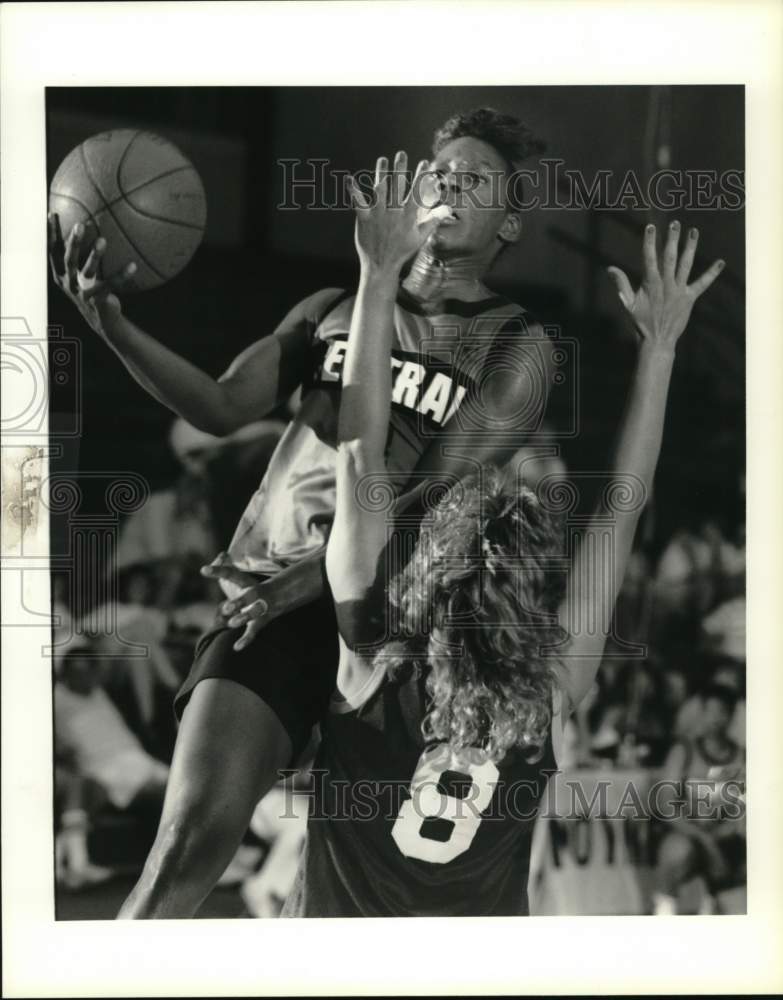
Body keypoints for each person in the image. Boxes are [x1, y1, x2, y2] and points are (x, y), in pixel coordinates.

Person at [49, 108, 558, 918]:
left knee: (353, 889)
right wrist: (109, 324)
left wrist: (308, 580)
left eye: (475, 179)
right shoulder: (330, 306)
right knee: (185, 847)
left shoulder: (517, 342)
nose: (449, 184)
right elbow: (219, 405)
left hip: (390, 624)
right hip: (270, 607)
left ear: (509, 223)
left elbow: (427, 491)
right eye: (440, 171)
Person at [279, 148, 724, 914]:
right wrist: (660, 348)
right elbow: (621, 509)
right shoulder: (548, 693)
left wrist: (377, 274)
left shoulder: (373, 653)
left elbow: (358, 447)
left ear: (430, 561)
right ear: (526, 582)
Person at [653, 682, 746, 915]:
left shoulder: (743, 757)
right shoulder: (683, 752)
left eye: (722, 712)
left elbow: (748, 811)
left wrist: (725, 835)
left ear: (732, 715)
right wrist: (706, 841)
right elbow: (666, 807)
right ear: (701, 713)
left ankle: (716, 901)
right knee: (675, 850)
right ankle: (665, 909)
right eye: (710, 711)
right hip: (692, 835)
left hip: (728, 838)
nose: (716, 719)